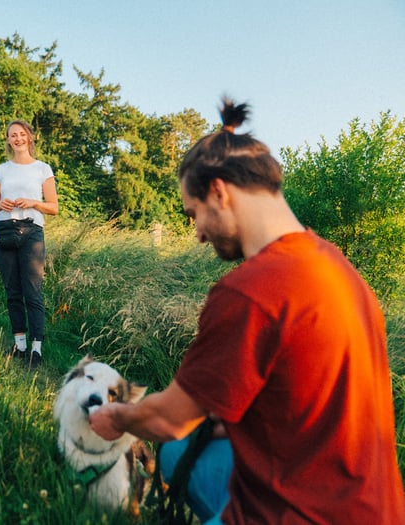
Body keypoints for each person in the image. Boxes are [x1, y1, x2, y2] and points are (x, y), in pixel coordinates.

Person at [89, 99, 405, 524]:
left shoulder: (250, 291)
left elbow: (168, 421)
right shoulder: (340, 269)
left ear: (218, 190)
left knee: (175, 443)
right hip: (376, 509)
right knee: (188, 447)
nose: (198, 233)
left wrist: (116, 417)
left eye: (193, 213)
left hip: (301, 515)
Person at [0, 119, 59, 370]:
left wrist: (33, 202)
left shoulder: (42, 169)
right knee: (12, 291)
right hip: (4, 231)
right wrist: (0, 205)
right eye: (12, 135)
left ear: (29, 137)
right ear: (7, 140)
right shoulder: (2, 170)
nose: (17, 138)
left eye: (21, 134)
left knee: (33, 292)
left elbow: (54, 207)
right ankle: (20, 346)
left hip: (32, 233)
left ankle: (36, 350)